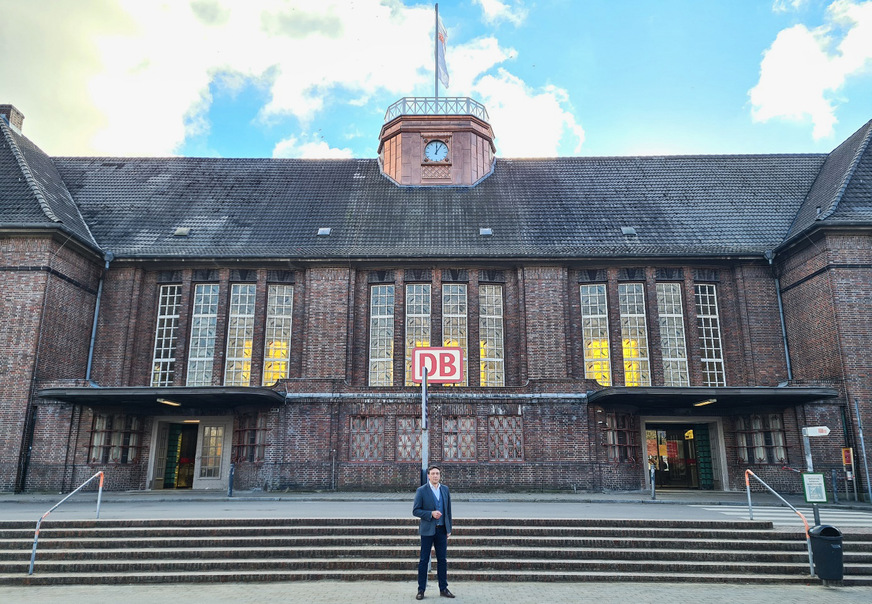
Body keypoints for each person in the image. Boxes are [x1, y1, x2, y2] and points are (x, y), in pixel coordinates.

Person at [412, 465, 454, 599]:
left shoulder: (445, 490)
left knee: (442, 560)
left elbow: (448, 511)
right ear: (428, 476)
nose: (435, 476)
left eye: (437, 473)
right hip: (427, 531)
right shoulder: (421, 491)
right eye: (433, 474)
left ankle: (443, 588)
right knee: (424, 560)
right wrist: (430, 513)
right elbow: (415, 510)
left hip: (442, 530)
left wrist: (449, 528)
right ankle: (421, 590)